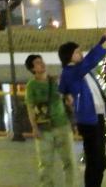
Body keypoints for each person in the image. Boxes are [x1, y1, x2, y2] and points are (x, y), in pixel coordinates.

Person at [58, 26, 106, 187]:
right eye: (77, 52)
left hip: (97, 115)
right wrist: (105, 40)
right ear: (69, 56)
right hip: (88, 119)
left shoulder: (80, 71)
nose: (80, 54)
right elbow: (92, 59)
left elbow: (63, 88)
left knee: (100, 160)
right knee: (94, 159)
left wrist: (105, 40)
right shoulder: (71, 71)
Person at [25, 53, 76, 187]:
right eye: (37, 63)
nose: (42, 64)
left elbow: (67, 97)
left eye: (42, 61)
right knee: (45, 165)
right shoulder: (31, 86)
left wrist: (70, 100)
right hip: (44, 130)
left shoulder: (55, 80)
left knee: (69, 162)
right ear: (32, 69)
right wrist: (34, 128)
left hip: (63, 125)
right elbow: (30, 108)